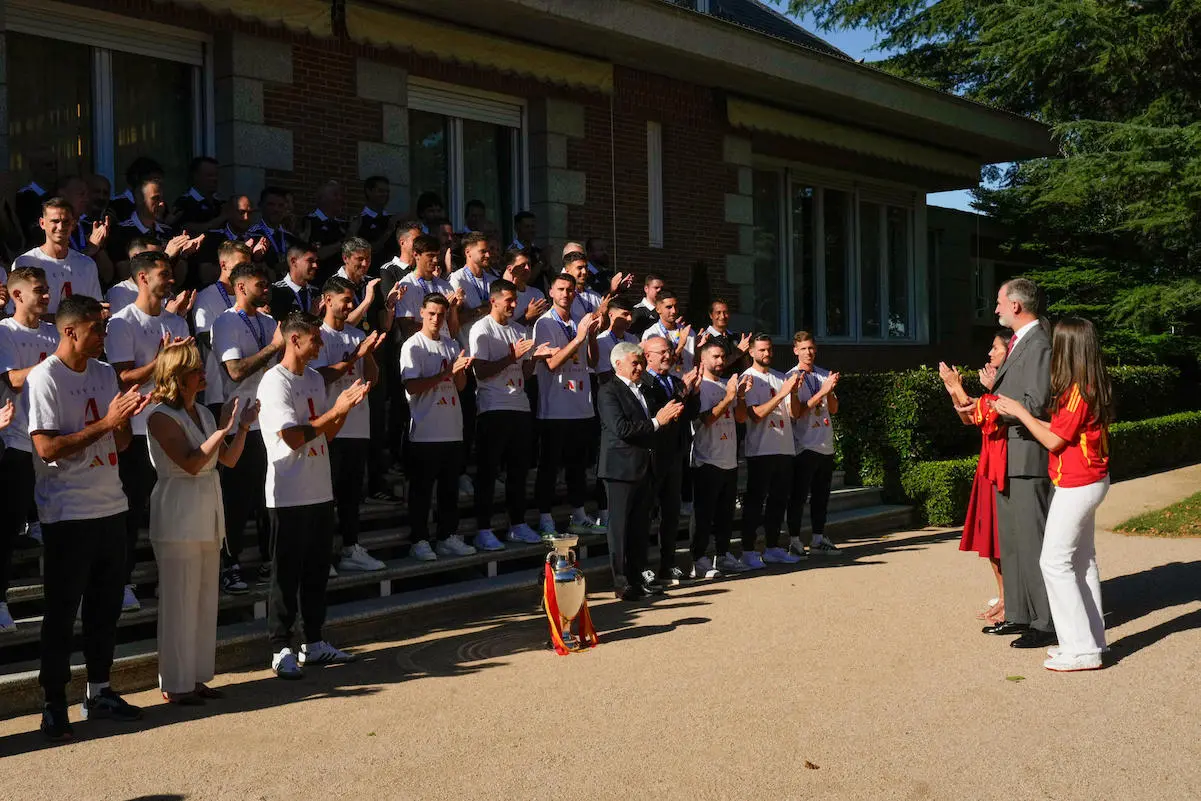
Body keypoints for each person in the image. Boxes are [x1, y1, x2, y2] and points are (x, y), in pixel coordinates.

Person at [27, 294, 152, 740]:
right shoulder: (45, 378)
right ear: (70, 331)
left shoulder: (104, 374)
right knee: (62, 613)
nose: (103, 336)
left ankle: (99, 689)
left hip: (110, 506)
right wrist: (107, 422)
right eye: (96, 328)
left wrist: (122, 422)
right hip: (67, 513)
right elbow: (46, 448)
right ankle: (53, 700)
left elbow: (119, 445)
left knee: (105, 610)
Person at [991, 318, 1113, 672]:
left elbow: (1054, 440)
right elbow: (1060, 430)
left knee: (1054, 562)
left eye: (1058, 343)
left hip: (1079, 482)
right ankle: (1092, 641)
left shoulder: (1078, 390)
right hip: (1087, 479)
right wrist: (1023, 415)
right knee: (1080, 561)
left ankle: (1080, 647)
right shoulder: (1085, 384)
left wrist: (1019, 412)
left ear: (1069, 348)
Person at [258, 311, 368, 678]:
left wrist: (343, 411)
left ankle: (314, 641)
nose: (320, 345)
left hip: (319, 488)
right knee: (285, 574)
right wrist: (336, 410)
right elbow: (291, 436)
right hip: (289, 493)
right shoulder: (275, 382)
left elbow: (324, 434)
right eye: (315, 339)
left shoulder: (315, 380)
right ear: (294, 340)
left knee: (317, 572)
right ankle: (280, 647)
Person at [146, 342, 255, 704]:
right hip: (177, 514)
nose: (203, 375)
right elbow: (191, 462)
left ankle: (195, 678)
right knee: (178, 602)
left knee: (205, 602)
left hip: (208, 513)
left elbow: (230, 461)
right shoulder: (160, 416)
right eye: (196, 370)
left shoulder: (204, 415)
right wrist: (222, 430)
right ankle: (174, 684)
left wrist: (239, 429)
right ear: (177, 377)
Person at [104, 250, 193, 612]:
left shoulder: (179, 323)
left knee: (173, 509)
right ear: (142, 278)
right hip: (139, 429)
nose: (170, 279)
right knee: (133, 511)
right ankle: (122, 583)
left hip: (174, 424)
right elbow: (121, 376)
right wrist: (161, 361)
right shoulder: (123, 322)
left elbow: (187, 374)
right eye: (163, 273)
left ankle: (167, 579)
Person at [980, 278, 1054, 649]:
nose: (995, 309)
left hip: (1028, 454)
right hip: (1009, 455)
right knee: (1011, 541)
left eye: (998, 302)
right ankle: (1020, 614)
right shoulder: (1021, 343)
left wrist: (991, 404)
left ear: (1016, 306)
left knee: (1033, 541)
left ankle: (1046, 620)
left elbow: (1036, 403)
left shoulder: (1039, 342)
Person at [211, 262, 282, 594]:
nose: (266, 287)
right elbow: (235, 371)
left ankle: (271, 560)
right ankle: (230, 563)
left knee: (269, 496)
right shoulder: (226, 321)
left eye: (267, 283)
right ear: (240, 287)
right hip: (240, 421)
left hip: (271, 419)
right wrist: (273, 347)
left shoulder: (269, 322)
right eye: (260, 282)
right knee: (236, 499)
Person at [468, 279, 555, 548]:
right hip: (493, 407)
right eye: (508, 299)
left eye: (515, 299)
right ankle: (483, 529)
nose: (513, 304)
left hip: (520, 406)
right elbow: (479, 371)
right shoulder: (481, 328)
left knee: (518, 471)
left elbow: (525, 373)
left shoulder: (519, 329)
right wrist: (510, 355)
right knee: (488, 470)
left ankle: (517, 524)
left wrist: (535, 359)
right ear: (493, 300)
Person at [312, 277, 388, 572]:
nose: (350, 305)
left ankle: (350, 548)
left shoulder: (358, 335)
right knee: (325, 495)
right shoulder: (315, 334)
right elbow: (318, 377)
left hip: (357, 425)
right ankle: (323, 555)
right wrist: (354, 355)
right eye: (345, 299)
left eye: (352, 299)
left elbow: (373, 378)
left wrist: (367, 353)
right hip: (328, 425)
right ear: (327, 300)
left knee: (351, 494)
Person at [598, 341, 684, 600]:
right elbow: (622, 429)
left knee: (639, 527)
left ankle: (637, 577)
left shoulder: (644, 389)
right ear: (618, 364)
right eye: (634, 363)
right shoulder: (608, 391)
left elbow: (655, 425)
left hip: (646, 467)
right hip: (620, 469)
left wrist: (668, 417)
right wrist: (658, 421)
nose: (640, 367)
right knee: (620, 528)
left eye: (641, 362)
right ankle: (621, 581)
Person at [0, 267, 59, 632]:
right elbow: (12, 379)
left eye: (47, 290)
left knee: (63, 526)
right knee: (6, 528)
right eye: (39, 291)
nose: (47, 296)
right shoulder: (4, 331)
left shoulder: (55, 334)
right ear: (17, 295)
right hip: (17, 442)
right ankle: (1, 599)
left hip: (54, 443)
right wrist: (53, 363)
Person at [940, 331, 1011, 624]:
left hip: (1002, 469)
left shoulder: (1012, 385)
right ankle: (1005, 596)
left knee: (1001, 540)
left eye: (995, 349)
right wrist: (953, 389)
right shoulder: (1000, 387)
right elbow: (970, 417)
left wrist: (957, 388)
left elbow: (981, 413)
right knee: (991, 541)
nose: (989, 355)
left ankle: (1011, 601)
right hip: (988, 465)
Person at [398, 294, 476, 561]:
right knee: (421, 491)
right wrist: (447, 372)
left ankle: (446, 536)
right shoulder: (413, 345)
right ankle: (419, 540)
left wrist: (460, 371)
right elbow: (412, 386)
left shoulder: (451, 344)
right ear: (422, 313)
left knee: (449, 490)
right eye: (431, 313)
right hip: (425, 431)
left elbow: (461, 387)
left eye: (441, 314)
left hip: (452, 428)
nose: (435, 319)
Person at [533, 274, 603, 538]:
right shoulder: (545, 323)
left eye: (570, 290)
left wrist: (592, 337)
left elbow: (593, 363)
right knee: (550, 466)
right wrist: (578, 338)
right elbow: (551, 364)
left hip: (581, 405)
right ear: (551, 291)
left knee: (578, 466)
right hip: (555, 408)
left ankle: (579, 514)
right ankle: (545, 517)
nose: (566, 294)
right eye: (561, 289)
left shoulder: (577, 322)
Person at [639, 335, 700, 584]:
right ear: (647, 356)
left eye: (669, 351)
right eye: (661, 352)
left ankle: (668, 564)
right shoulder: (642, 382)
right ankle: (641, 566)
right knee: (645, 514)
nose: (667, 356)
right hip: (651, 456)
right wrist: (682, 395)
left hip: (675, 454)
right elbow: (657, 413)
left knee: (671, 514)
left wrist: (692, 392)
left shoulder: (675, 381)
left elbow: (689, 415)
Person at [738, 335, 802, 569]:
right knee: (755, 502)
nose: (767, 353)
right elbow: (755, 415)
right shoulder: (748, 379)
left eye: (769, 349)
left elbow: (794, 414)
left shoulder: (780, 377)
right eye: (762, 350)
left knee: (779, 501)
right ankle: (747, 550)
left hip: (784, 448)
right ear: (752, 353)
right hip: (761, 450)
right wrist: (784, 393)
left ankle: (773, 547)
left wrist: (794, 393)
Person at [690, 340, 752, 578]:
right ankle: (699, 559)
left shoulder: (728, 384)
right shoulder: (699, 386)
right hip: (707, 460)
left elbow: (739, 418)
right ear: (703, 359)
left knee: (726, 513)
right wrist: (727, 398)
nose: (720, 361)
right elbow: (705, 419)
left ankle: (723, 554)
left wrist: (741, 396)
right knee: (704, 514)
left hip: (730, 458)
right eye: (715, 357)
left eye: (723, 357)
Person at [786, 331, 842, 559]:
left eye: (812, 348)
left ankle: (818, 537)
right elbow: (796, 413)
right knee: (799, 496)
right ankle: (794, 540)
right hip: (804, 445)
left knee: (822, 495)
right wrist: (822, 391)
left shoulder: (822, 374)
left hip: (825, 443)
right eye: (804, 348)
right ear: (795, 350)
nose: (809, 353)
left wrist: (829, 391)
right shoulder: (790, 377)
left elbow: (834, 408)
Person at [12, 198, 103, 319]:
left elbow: (95, 305)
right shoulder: (25, 262)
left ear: (73, 224)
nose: (60, 227)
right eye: (55, 221)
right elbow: (18, 312)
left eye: (66, 222)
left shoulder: (87, 264)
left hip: (78, 336)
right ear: (42, 223)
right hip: (38, 336)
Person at [193, 241, 251, 412]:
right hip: (219, 392)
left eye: (248, 266)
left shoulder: (251, 298)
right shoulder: (206, 297)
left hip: (251, 391)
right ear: (223, 265)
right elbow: (206, 339)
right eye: (241, 265)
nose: (246, 272)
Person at [299, 180, 348, 280]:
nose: (340, 199)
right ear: (321, 198)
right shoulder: (309, 222)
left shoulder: (343, 225)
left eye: (340, 195)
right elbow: (317, 254)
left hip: (340, 284)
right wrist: (343, 242)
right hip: (318, 283)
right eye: (335, 195)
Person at [641, 291, 695, 379]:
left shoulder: (688, 332)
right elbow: (658, 366)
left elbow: (693, 361)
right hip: (666, 384)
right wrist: (680, 346)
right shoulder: (652, 333)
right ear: (658, 309)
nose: (674, 311)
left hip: (689, 382)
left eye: (676, 306)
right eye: (669, 307)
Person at [245, 187, 296, 276]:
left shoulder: (291, 238)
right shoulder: (252, 236)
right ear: (261, 206)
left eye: (281, 205)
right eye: (271, 204)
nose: (276, 209)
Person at [172, 157, 224, 236]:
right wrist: (223, 217)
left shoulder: (219, 204)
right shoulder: (184, 203)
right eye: (209, 175)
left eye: (216, 175)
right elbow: (184, 228)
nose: (215, 179)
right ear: (195, 176)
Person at [269, 243, 321, 317]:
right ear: (293, 262)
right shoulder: (276, 291)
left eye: (316, 261)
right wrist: (311, 316)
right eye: (310, 261)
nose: (315, 265)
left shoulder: (317, 293)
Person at [595, 297, 638, 385]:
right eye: (625, 314)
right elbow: (604, 375)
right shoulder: (601, 341)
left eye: (631, 314)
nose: (630, 319)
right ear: (611, 315)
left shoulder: (634, 339)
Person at [705, 299, 751, 377]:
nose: (722, 316)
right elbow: (713, 367)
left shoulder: (736, 337)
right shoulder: (705, 338)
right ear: (710, 315)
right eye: (718, 313)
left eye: (725, 312)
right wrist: (738, 352)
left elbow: (746, 366)